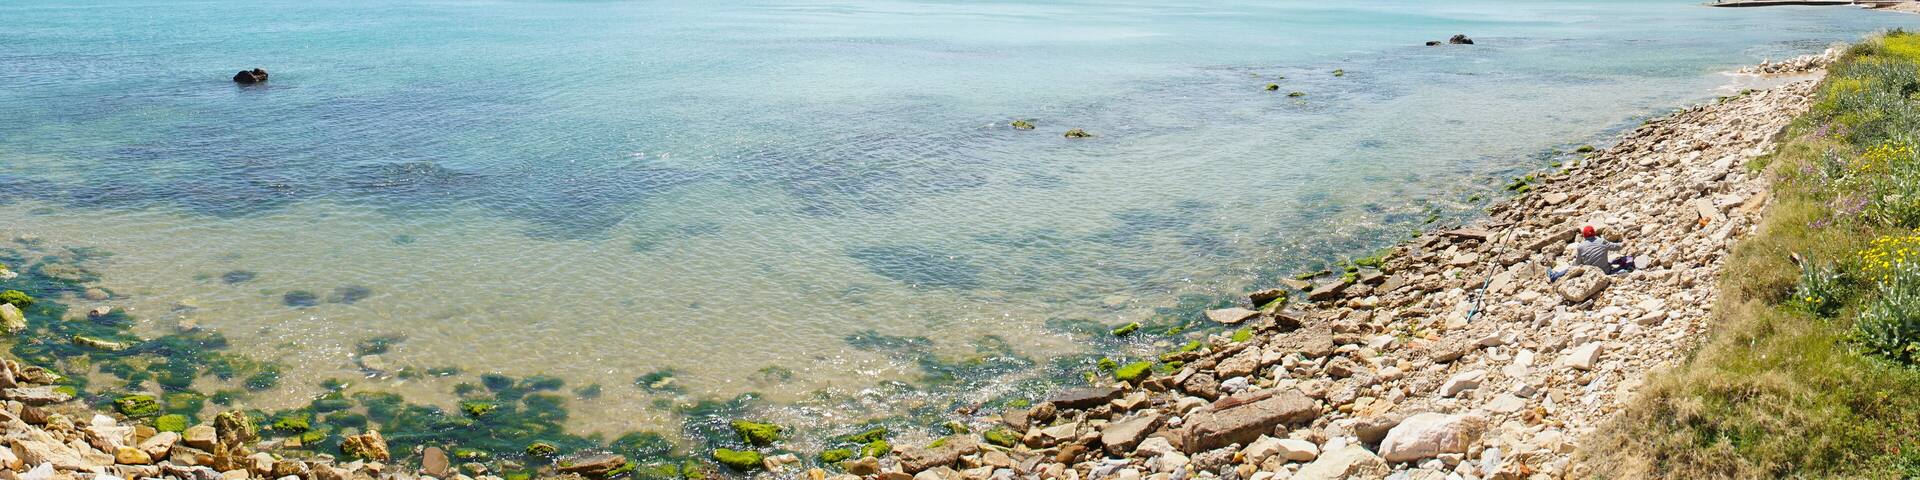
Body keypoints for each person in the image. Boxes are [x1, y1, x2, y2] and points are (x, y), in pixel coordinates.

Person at [1550, 225, 1633, 281]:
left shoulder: (1581, 247)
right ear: (1594, 233)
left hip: (1591, 273)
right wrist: (1624, 243)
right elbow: (1616, 247)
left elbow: (1577, 263)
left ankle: (1554, 276)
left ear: (1584, 235)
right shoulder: (1602, 241)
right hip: (1605, 271)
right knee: (1618, 260)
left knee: (1571, 268)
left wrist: (1571, 266)